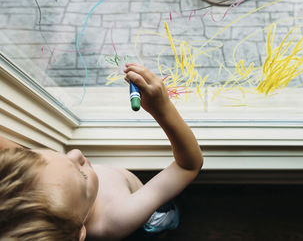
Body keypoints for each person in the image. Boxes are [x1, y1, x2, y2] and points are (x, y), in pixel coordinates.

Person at [0, 63, 204, 240]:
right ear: (80, 233)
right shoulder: (116, 218)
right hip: (149, 216)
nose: (76, 153)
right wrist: (163, 108)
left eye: (37, 154)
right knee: (166, 218)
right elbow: (187, 166)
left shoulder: (29, 180)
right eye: (81, 176)